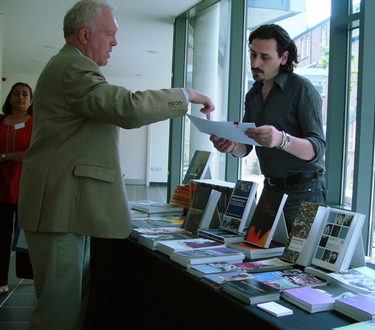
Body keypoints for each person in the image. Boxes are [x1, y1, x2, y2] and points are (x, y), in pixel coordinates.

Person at [17, 1, 214, 329]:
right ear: (84, 35)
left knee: (68, 305)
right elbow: (127, 108)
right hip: (58, 207)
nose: (115, 42)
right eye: (109, 33)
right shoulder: (73, 67)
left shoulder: (69, 65)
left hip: (63, 206)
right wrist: (185, 94)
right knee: (58, 313)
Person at [210, 24, 326, 233]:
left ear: (283, 58)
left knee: (296, 260)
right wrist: (229, 145)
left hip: (304, 190)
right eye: (252, 54)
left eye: (265, 57)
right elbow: (245, 147)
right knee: (263, 253)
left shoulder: (302, 89)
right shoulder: (253, 94)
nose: (255, 63)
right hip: (271, 186)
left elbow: (317, 149)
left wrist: (282, 140)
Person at [0, 82, 33, 296]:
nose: (20, 97)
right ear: (10, 98)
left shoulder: (36, 124)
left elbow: (34, 153)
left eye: (25, 94)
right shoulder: (0, 121)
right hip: (1, 186)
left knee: (28, 236)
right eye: (16, 93)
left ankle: (32, 277)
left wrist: (5, 156)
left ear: (31, 101)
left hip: (27, 186)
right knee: (1, 235)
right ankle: (1, 281)